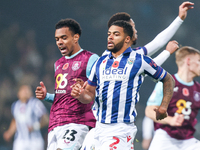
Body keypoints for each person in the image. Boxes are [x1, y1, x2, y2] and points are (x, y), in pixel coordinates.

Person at [71, 20, 175, 150]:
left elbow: (168, 79)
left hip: (120, 130)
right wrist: (80, 95)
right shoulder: (100, 62)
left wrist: (163, 107)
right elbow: (89, 95)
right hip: (98, 129)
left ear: (127, 39)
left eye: (115, 34)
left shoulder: (139, 60)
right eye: (109, 34)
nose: (110, 37)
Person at [35, 18, 99, 150]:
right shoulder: (57, 64)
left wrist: (84, 91)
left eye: (64, 38)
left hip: (77, 121)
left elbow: (100, 91)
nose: (59, 42)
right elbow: (63, 96)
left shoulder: (90, 59)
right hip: (55, 123)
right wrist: (47, 96)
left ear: (76, 37)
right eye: (57, 39)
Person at [145, 46, 200, 150]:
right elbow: (149, 111)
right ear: (188, 61)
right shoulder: (167, 83)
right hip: (165, 137)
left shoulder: (198, 89)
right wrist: (170, 120)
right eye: (199, 61)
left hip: (188, 141)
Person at [103, 1, 194, 57]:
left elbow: (158, 42)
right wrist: (166, 53)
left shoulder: (134, 55)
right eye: (133, 28)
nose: (136, 31)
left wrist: (179, 19)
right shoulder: (104, 59)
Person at [3, 85, 49, 150]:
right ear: (18, 94)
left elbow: (46, 119)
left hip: (35, 141)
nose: (25, 92)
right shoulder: (15, 105)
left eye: (27, 90)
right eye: (23, 90)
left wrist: (35, 126)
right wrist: (9, 133)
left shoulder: (36, 103)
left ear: (31, 93)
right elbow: (15, 121)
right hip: (20, 141)